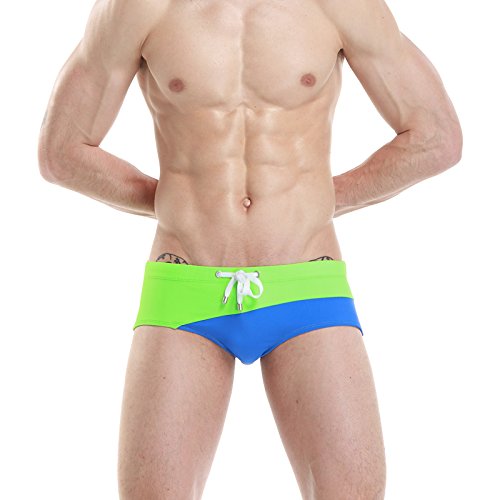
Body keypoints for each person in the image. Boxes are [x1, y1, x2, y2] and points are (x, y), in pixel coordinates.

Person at [37, 0, 462, 497]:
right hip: (186, 279)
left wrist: (321, 200)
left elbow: (436, 137)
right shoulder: (139, 6)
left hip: (306, 278)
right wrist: (177, 201)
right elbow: (62, 151)